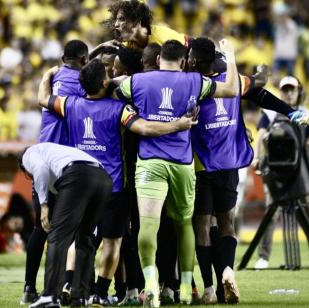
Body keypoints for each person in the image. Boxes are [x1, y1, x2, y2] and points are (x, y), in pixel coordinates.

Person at [37, 59, 196, 306]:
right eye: (107, 75)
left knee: (81, 237)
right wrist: (178, 124)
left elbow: (43, 99)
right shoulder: (119, 109)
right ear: (103, 82)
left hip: (81, 185)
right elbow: (145, 129)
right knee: (113, 242)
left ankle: (69, 283)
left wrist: (47, 76)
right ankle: (100, 293)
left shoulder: (70, 104)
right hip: (113, 187)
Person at [186, 38, 309, 304]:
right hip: (230, 163)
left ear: (196, 61)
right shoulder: (232, 80)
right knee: (225, 223)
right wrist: (290, 112)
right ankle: (228, 271)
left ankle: (210, 289)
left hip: (200, 166)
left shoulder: (191, 84)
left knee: (201, 224)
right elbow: (260, 93)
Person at [115, 39, 239, 307]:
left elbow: (112, 89)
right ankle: (184, 286)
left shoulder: (137, 82)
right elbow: (231, 90)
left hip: (150, 162)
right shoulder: (194, 81)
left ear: (158, 59)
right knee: (184, 223)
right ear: (183, 62)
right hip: (183, 163)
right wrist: (229, 54)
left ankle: (150, 282)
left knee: (148, 224)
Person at [20, 40, 89, 306]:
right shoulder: (84, 83)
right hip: (70, 164)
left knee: (40, 228)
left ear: (62, 57)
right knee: (69, 231)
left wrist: (46, 75)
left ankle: (29, 287)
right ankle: (67, 285)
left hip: (44, 160)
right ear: (84, 60)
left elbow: (43, 98)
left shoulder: (51, 81)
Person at [20, 143, 112, 308]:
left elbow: (39, 169)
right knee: (85, 239)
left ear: (24, 168)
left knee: (57, 237)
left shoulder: (30, 154)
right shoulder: (57, 154)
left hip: (77, 175)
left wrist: (44, 206)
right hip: (103, 178)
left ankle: (49, 296)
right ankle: (81, 296)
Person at [252, 76, 309, 270]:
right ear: (281, 91)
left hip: (300, 168)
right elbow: (260, 137)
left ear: (299, 91)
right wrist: (258, 159)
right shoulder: (269, 112)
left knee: (308, 213)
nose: (288, 93)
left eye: (292, 90)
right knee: (271, 213)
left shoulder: (306, 114)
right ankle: (263, 257)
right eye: (285, 90)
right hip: (275, 170)